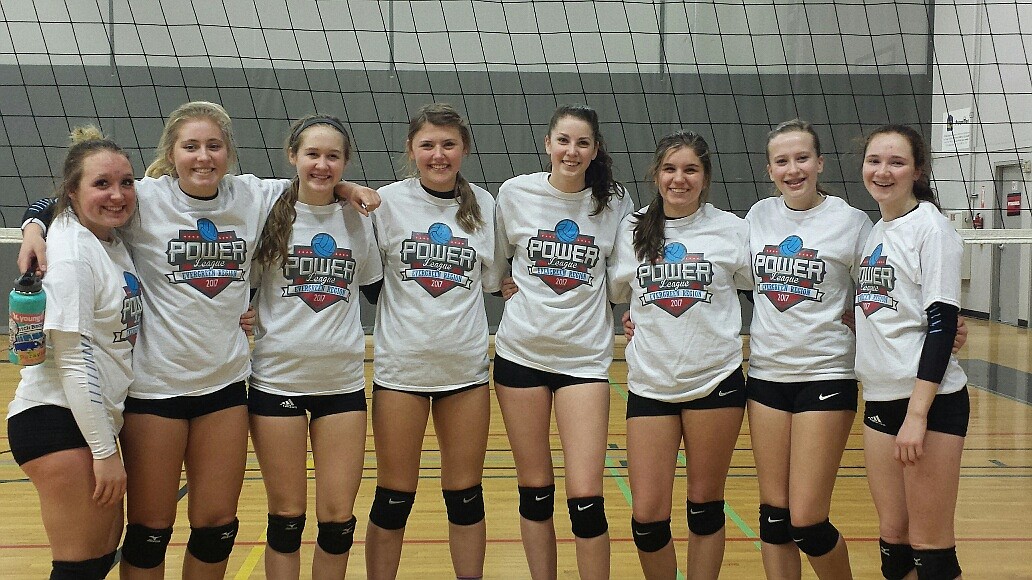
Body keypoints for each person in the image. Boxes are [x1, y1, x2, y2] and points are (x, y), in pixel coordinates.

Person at [17, 101, 379, 579]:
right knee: (150, 532)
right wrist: (33, 224)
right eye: (191, 147)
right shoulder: (144, 197)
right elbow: (77, 192)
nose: (203, 156)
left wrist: (349, 186)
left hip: (225, 388)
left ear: (229, 153)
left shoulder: (254, 195)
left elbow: (318, 181)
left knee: (215, 529)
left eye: (214, 146)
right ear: (172, 153)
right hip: (155, 390)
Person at [363, 103, 503, 580]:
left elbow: (501, 281)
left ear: (463, 149)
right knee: (393, 497)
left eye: (448, 144)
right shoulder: (385, 203)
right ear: (411, 150)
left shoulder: (485, 206)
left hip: (464, 372)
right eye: (428, 145)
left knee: (465, 497)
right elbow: (358, 275)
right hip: (401, 371)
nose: (438, 154)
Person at [494, 104, 634, 579]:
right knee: (534, 491)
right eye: (564, 141)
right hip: (520, 357)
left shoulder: (614, 201)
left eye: (582, 143)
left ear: (595, 150)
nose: (571, 151)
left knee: (586, 498)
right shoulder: (514, 193)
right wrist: (504, 284)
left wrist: (635, 310)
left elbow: (624, 278)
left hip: (584, 361)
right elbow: (495, 263)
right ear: (548, 144)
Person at [608, 131, 752, 579]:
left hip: (715, 381)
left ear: (705, 177)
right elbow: (617, 293)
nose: (679, 179)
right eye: (670, 169)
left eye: (690, 169)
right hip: (652, 384)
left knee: (705, 508)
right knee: (647, 519)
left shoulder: (733, 229)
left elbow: (766, 291)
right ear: (656, 174)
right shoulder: (632, 230)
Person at [248, 115, 383, 578]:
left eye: (333, 156)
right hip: (276, 382)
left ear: (345, 162)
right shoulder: (266, 208)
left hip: (341, 386)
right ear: (293, 156)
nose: (322, 165)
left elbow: (371, 286)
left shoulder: (356, 219)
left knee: (338, 522)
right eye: (312, 154)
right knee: (286, 521)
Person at [6, 126, 140, 580]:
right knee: (78, 569)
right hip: (58, 419)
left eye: (125, 182)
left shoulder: (109, 239)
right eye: (101, 184)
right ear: (72, 190)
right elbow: (73, 359)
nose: (117, 194)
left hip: (87, 420)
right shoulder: (69, 251)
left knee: (97, 561)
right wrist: (105, 453)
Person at [745, 119, 871, 579]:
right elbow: (722, 275)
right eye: (782, 161)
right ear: (769, 170)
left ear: (819, 163)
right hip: (765, 377)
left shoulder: (851, 222)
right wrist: (643, 309)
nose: (793, 169)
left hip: (826, 375)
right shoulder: (757, 217)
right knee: (774, 519)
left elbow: (884, 286)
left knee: (807, 520)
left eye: (802, 159)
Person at [855, 125, 968, 580]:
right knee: (894, 542)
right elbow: (885, 309)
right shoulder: (875, 232)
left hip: (928, 404)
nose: (883, 172)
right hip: (880, 398)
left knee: (930, 547)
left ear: (916, 171)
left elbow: (941, 326)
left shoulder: (932, 228)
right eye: (874, 161)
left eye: (896, 162)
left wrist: (917, 416)